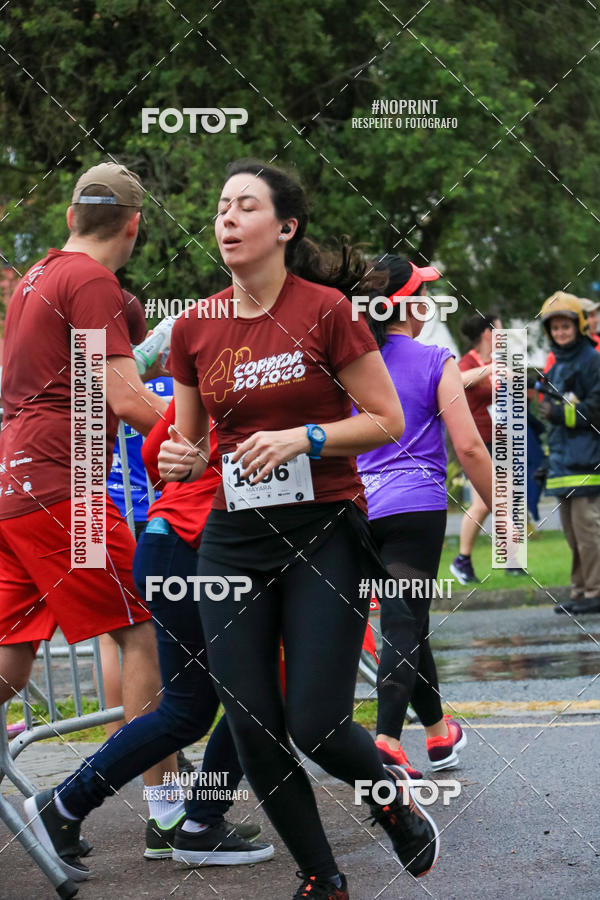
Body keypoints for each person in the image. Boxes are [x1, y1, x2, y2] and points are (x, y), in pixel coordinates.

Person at [159, 160, 440, 900]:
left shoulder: (326, 312)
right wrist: (177, 457)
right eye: (221, 206)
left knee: (316, 722)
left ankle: (396, 806)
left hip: (324, 535)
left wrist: (305, 439)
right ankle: (323, 878)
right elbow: (186, 454)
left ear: (284, 227)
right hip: (232, 541)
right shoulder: (193, 327)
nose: (226, 218)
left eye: (244, 206)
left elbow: (387, 419)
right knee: (251, 723)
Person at [25, 395, 273, 879]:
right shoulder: (264, 369)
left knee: (209, 703)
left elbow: (154, 447)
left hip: (166, 539)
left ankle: (179, 819)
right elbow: (118, 395)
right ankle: (184, 821)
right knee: (213, 700)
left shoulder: (211, 370)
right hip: (189, 545)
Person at [0, 162, 179, 797]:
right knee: (144, 629)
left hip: (12, 486)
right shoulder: (93, 282)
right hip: (62, 492)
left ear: (73, 216)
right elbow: (130, 400)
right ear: (134, 226)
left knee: (12, 656)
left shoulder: (36, 280)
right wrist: (211, 421)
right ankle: (166, 811)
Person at [357, 255, 493, 778]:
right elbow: (471, 449)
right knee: (402, 620)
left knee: (408, 621)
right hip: (415, 507)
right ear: (410, 304)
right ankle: (388, 742)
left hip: (360, 506)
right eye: (425, 294)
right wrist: (501, 514)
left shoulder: (348, 363)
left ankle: (437, 735)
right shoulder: (436, 360)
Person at [538, 292, 600, 616]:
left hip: (588, 464)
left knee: (589, 535)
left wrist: (560, 413)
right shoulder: (558, 364)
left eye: (566, 327)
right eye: (555, 328)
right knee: (574, 537)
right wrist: (548, 464)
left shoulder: (593, 360)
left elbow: (597, 410)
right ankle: (580, 592)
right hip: (564, 465)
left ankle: (595, 591)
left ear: (578, 326)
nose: (561, 333)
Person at [449, 310, 501, 584]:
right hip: (475, 441)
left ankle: (512, 559)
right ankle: (462, 560)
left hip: (497, 440)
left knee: (501, 500)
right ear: (487, 333)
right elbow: (459, 380)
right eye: (499, 330)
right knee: (482, 503)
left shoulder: (494, 361)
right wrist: (492, 369)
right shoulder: (469, 362)